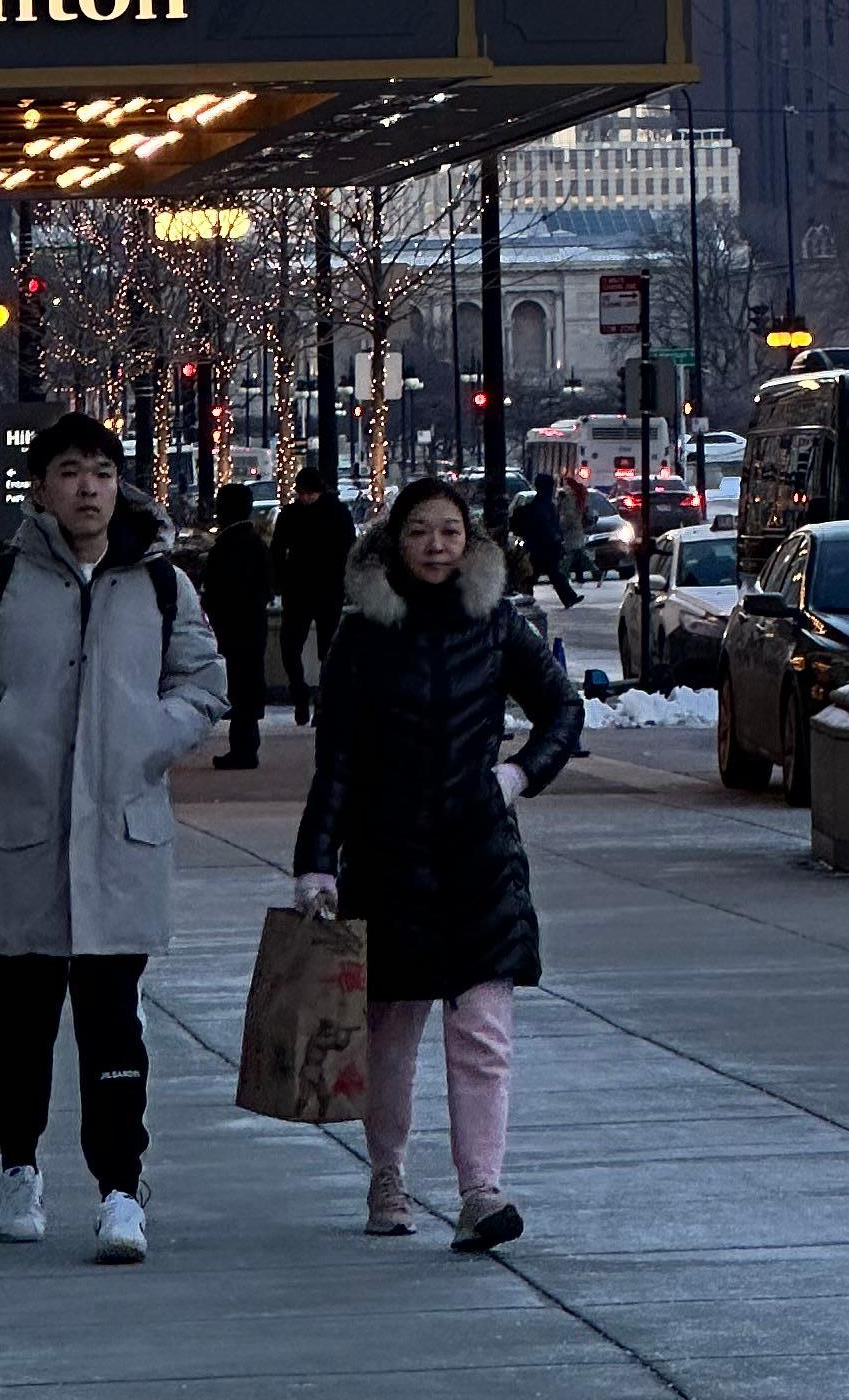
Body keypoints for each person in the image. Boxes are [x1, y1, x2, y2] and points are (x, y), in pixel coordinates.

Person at [0, 412, 229, 1267]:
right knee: (18, 1026)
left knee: (115, 1025)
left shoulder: (159, 583)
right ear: (40, 487)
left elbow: (203, 681)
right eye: (70, 471)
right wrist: (4, 733)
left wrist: (154, 734)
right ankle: (18, 1165)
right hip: (22, 839)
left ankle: (121, 1188)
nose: (88, 488)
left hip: (120, 841)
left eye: (102, 471)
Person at [292, 477, 582, 1250]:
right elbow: (338, 763)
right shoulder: (361, 636)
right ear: (396, 542)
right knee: (389, 1032)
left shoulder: (495, 625)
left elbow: (562, 708)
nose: (435, 547)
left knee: (484, 1032)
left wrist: (517, 776)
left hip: (479, 855)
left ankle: (481, 1191)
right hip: (388, 857)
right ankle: (387, 1175)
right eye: (420, 532)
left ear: (470, 542)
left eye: (449, 532)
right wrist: (316, 864)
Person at [269, 465, 355, 728]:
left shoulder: (292, 515)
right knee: (320, 649)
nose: (305, 498)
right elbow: (348, 548)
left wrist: (280, 580)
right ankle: (317, 698)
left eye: (308, 493)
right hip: (325, 588)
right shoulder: (337, 513)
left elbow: (277, 550)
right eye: (302, 493)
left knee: (297, 646)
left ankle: (307, 696)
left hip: (304, 588)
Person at [197, 484, 274, 770]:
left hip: (232, 627)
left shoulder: (226, 547)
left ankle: (242, 749)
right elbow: (268, 586)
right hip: (253, 624)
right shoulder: (255, 544)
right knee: (248, 686)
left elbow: (215, 591)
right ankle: (245, 746)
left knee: (238, 687)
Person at [507, 474, 578, 610]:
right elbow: (548, 526)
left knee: (541, 574)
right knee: (543, 574)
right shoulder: (544, 505)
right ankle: (567, 597)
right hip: (542, 546)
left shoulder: (542, 504)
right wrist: (557, 539)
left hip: (539, 546)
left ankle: (567, 597)